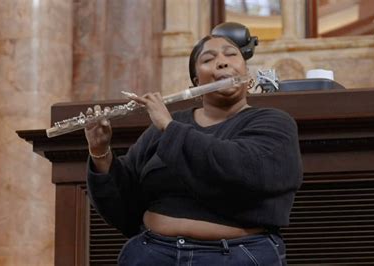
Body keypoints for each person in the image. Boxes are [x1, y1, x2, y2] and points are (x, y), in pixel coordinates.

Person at [85, 22, 303, 266]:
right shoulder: (172, 123)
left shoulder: (273, 122)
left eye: (231, 55)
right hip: (152, 254)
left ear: (247, 76)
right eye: (208, 59)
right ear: (195, 83)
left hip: (237, 256)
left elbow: (243, 169)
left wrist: (169, 129)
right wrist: (100, 152)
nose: (222, 62)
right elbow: (125, 198)